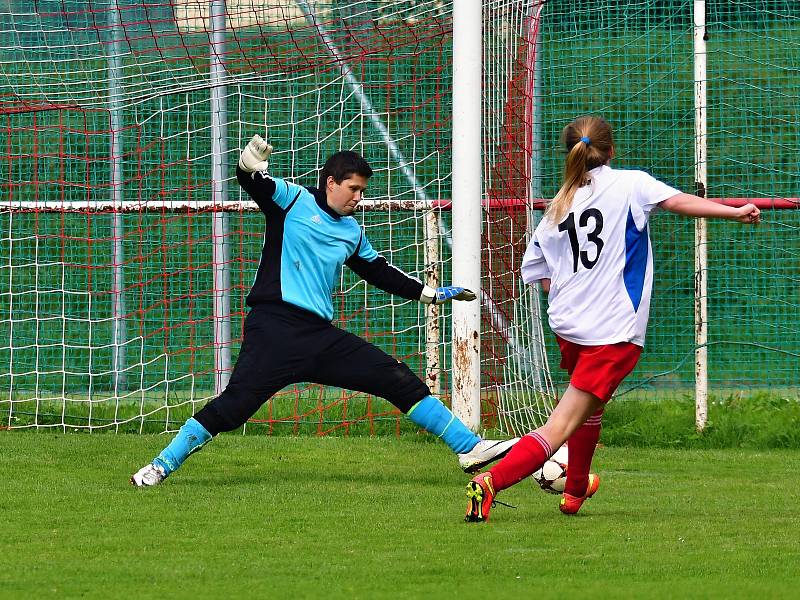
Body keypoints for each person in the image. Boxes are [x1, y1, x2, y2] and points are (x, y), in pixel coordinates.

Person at [131, 134, 517, 487]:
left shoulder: (352, 231)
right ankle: (159, 466)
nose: (358, 198)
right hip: (274, 329)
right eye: (353, 188)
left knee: (394, 377)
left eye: (363, 191)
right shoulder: (291, 199)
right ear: (330, 182)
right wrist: (248, 164)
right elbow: (251, 181)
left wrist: (430, 294)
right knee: (233, 409)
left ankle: (469, 447)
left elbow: (379, 272)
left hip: (318, 337)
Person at [464, 115, 761, 521]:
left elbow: (539, 273)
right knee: (559, 426)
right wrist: (735, 211)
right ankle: (489, 483)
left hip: (570, 327)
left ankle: (575, 489)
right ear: (611, 151)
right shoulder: (631, 184)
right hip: (613, 330)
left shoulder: (559, 205)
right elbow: (679, 203)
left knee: (592, 406)